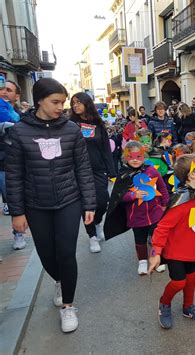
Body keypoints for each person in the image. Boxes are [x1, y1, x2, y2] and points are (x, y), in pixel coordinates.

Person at [6, 78, 96, 333]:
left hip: (69, 201)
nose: (61, 107)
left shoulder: (71, 130)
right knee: (47, 255)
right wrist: (17, 212)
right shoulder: (19, 132)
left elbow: (83, 169)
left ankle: (68, 306)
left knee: (67, 253)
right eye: (55, 102)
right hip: (36, 205)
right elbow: (14, 176)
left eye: (63, 102)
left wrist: (89, 203)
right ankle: (59, 279)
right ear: (39, 101)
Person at [148, 154, 195, 329]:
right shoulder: (180, 201)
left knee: (191, 278)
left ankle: (188, 306)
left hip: (191, 249)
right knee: (179, 282)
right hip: (175, 252)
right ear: (192, 174)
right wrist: (156, 253)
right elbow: (162, 228)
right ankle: (164, 303)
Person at [104, 141, 169, 274]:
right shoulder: (124, 174)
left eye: (138, 157)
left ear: (143, 156)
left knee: (156, 236)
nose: (134, 160)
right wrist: (133, 195)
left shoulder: (151, 170)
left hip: (155, 212)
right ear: (125, 157)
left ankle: (156, 259)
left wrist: (164, 205)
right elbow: (119, 196)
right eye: (131, 157)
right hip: (136, 216)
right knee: (140, 239)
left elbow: (162, 187)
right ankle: (142, 261)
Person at [69, 93, 115, 253]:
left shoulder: (98, 124)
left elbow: (106, 149)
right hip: (78, 171)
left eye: (79, 102)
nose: (75, 106)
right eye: (73, 103)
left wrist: (111, 171)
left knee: (102, 201)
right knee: (86, 204)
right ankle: (92, 236)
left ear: (87, 104)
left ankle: (97, 222)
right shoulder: (70, 124)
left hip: (97, 169)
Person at [0, 80, 25, 250]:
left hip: (7, 164)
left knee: (12, 197)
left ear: (16, 96)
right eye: (1, 89)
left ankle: (19, 234)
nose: (3, 92)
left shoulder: (21, 116)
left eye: (8, 90)